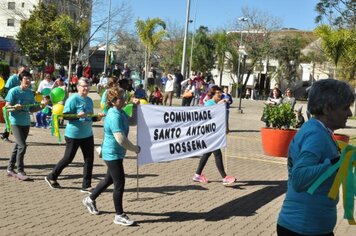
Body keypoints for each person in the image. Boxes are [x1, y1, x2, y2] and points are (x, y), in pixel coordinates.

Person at [277, 79, 355, 236]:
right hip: (303, 228)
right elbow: (299, 179)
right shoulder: (316, 134)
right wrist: (336, 163)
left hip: (307, 227)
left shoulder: (318, 130)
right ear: (327, 109)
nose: (350, 113)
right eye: (345, 108)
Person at [82, 86, 140, 226]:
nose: (124, 99)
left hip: (117, 153)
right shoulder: (113, 115)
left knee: (109, 179)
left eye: (124, 95)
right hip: (112, 153)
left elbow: (132, 121)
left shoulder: (120, 112)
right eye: (121, 97)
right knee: (119, 183)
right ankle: (119, 215)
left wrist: (136, 107)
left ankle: (90, 199)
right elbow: (120, 138)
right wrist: (134, 149)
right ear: (113, 101)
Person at [45, 78, 104, 192]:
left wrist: (98, 117)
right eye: (83, 86)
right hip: (73, 135)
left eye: (88, 86)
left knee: (89, 159)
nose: (86, 88)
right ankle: (51, 176)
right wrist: (77, 115)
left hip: (87, 134)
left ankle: (86, 185)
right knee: (68, 159)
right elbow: (65, 116)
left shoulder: (89, 100)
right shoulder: (72, 99)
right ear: (78, 87)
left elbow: (89, 117)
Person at [192, 86, 236, 185]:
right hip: (209, 133)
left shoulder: (218, 104)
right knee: (217, 155)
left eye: (221, 93)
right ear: (213, 95)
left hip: (214, 133)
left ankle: (197, 175)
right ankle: (224, 177)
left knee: (207, 154)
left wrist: (224, 128)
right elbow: (206, 116)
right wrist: (219, 105)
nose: (220, 95)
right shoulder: (209, 103)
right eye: (218, 93)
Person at [5, 71, 44, 179]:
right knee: (22, 146)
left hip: (26, 123)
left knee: (18, 145)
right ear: (20, 80)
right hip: (15, 122)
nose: (28, 81)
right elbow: (6, 107)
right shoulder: (13, 91)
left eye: (29, 79)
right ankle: (20, 171)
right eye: (25, 78)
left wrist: (42, 107)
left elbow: (31, 108)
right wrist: (14, 107)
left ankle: (9, 168)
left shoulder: (30, 93)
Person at [1, 65, 27, 142]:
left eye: (25, 71)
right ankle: (5, 135)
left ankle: (6, 134)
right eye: (23, 71)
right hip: (11, 101)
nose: (24, 73)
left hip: (18, 102)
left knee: (14, 119)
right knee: (10, 118)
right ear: (18, 71)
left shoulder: (23, 79)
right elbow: (6, 89)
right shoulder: (13, 78)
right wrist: (9, 100)